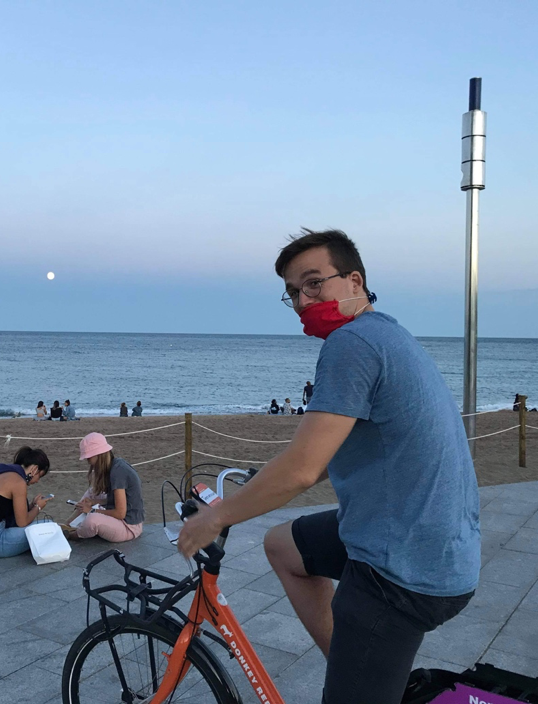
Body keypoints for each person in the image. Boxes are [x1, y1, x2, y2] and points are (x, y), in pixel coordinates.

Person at [178, 228, 480, 704]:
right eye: (294, 292)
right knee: (283, 546)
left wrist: (216, 516)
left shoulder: (351, 344)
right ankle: (357, 668)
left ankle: (358, 683)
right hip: (437, 543)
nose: (303, 299)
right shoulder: (386, 333)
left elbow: (302, 470)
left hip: (402, 569)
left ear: (355, 281)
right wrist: (263, 481)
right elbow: (322, 453)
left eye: (314, 282)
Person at [0, 446, 52, 558]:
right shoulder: (18, 482)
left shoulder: (2, 471)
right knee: (49, 527)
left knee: (44, 528)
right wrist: (38, 508)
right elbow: (22, 522)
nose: (37, 481)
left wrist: (32, 506)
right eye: (39, 476)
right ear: (34, 469)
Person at [64, 432, 144, 542]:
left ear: (98, 455)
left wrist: (91, 510)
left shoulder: (118, 472)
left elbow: (120, 513)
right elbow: (116, 500)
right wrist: (93, 502)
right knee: (91, 493)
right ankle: (68, 525)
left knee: (92, 520)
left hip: (128, 527)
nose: (88, 462)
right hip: (122, 519)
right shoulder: (115, 464)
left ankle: (71, 535)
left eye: (89, 457)